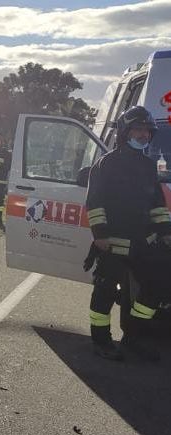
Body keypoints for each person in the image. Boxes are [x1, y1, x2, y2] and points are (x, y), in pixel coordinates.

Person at [85, 106, 171, 362]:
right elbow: (95, 202)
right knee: (106, 290)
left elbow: (157, 204)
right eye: (137, 129)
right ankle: (101, 340)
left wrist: (166, 232)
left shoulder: (148, 165)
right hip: (112, 242)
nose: (143, 135)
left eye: (146, 131)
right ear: (125, 132)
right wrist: (100, 234)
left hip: (143, 242)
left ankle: (133, 336)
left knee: (158, 286)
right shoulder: (106, 164)